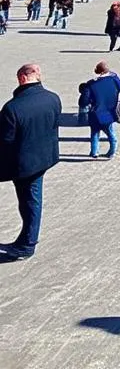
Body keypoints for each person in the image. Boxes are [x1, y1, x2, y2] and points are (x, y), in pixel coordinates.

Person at [0, 64, 61, 261]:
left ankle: (27, 245)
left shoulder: (12, 108)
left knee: (30, 202)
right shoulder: (53, 98)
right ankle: (24, 240)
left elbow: (5, 143)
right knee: (30, 201)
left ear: (22, 79)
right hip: (44, 157)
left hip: (25, 164)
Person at [81, 61, 120, 158]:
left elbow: (84, 101)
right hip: (110, 112)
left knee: (94, 134)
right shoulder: (114, 80)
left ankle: (94, 152)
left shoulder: (91, 84)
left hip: (95, 113)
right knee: (110, 133)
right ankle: (112, 151)